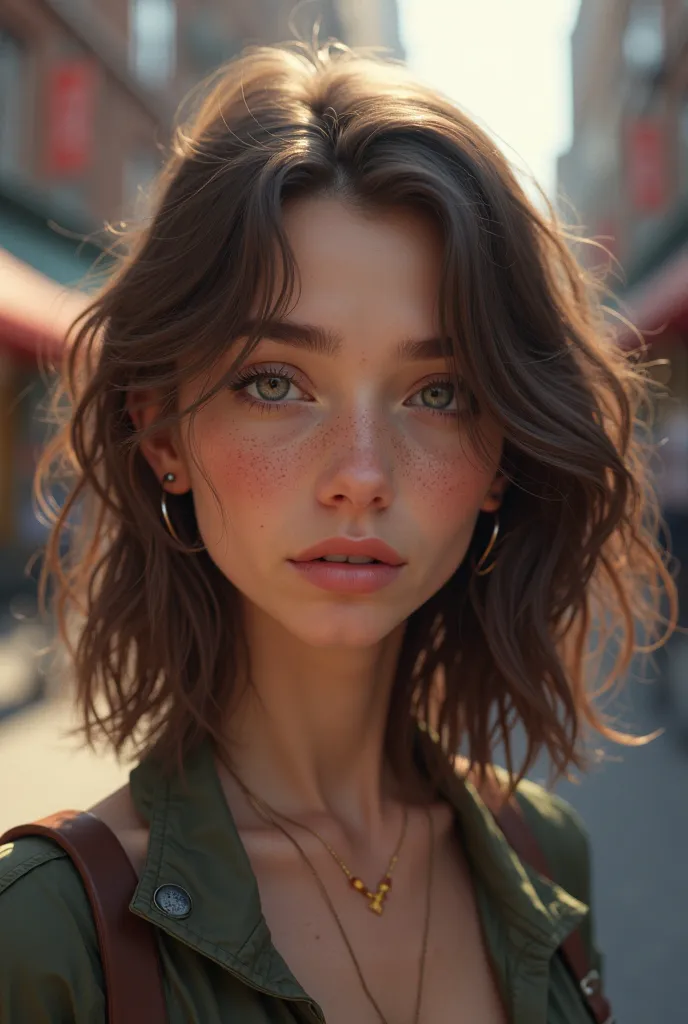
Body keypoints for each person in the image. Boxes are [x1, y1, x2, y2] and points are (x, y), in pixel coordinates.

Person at [0, 41, 674, 1024]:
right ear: (161, 433)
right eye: (274, 382)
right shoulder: (48, 940)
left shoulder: (544, 855)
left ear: (502, 458)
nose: (361, 473)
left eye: (437, 392)